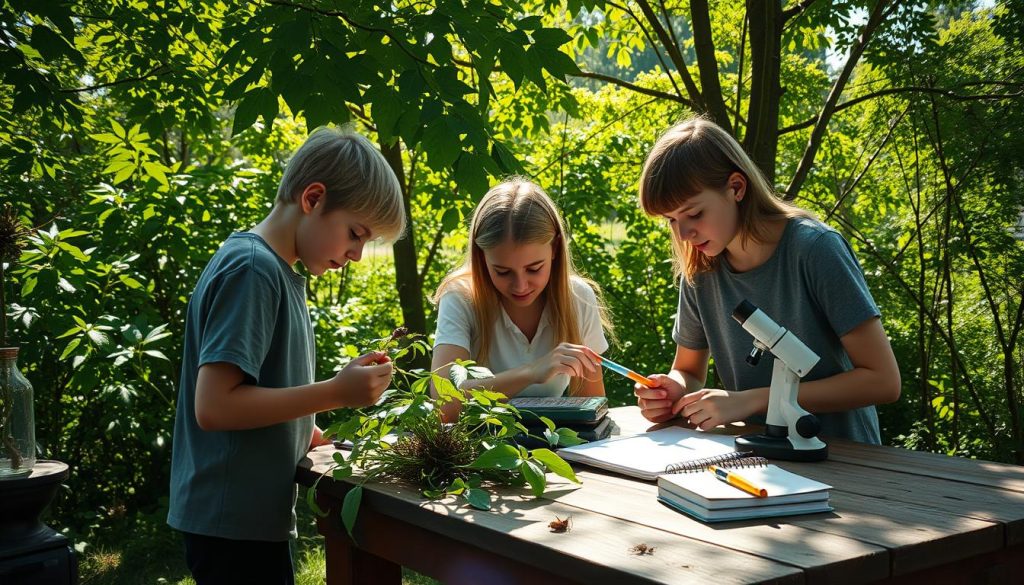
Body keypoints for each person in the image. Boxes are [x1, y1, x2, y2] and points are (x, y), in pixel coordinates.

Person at [167, 127, 406, 584]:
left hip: (244, 521)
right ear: (313, 199)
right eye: (355, 234)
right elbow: (215, 406)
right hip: (229, 524)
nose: (356, 255)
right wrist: (337, 392)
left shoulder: (276, 271)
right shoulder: (253, 271)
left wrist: (308, 431)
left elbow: (262, 390)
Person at [633, 117, 900, 444]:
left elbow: (883, 381)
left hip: (842, 456)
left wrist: (752, 400)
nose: (684, 234)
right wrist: (671, 389)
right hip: (754, 457)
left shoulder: (815, 249)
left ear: (736, 188)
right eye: (671, 220)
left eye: (694, 213)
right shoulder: (700, 270)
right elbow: (688, 371)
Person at [430, 178, 612, 419]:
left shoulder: (577, 298)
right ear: (481, 257)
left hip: (552, 449)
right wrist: (531, 372)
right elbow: (445, 404)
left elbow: (592, 413)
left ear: (555, 248)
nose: (520, 286)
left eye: (534, 268)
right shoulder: (461, 297)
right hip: (479, 449)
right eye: (502, 272)